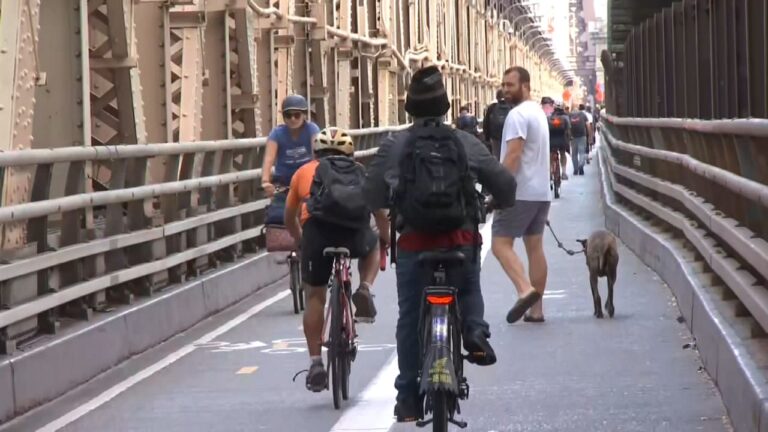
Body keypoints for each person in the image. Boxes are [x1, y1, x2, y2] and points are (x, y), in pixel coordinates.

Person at [363, 65, 517, 422]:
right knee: (468, 285)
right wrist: (494, 202)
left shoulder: (395, 144)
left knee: (409, 316)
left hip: (415, 244)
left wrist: (386, 221)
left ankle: (407, 399)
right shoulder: (465, 143)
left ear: (409, 109)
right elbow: (505, 185)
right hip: (460, 239)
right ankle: (475, 331)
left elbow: (370, 192)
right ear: (446, 108)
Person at [284, 127, 389, 392]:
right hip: (353, 234)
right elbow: (379, 214)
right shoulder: (360, 172)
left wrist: (301, 240)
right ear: (351, 153)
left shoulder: (303, 173)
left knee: (315, 297)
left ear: (315, 152)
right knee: (372, 245)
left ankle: (316, 362)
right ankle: (365, 287)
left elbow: (289, 217)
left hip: (317, 234)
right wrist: (386, 238)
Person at [492, 66, 551, 324]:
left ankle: (524, 290)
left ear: (525, 86)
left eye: (510, 85)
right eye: (504, 85)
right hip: (541, 192)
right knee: (534, 247)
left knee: (499, 244)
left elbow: (513, 155)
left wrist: (499, 187)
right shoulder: (537, 112)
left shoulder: (516, 115)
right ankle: (536, 310)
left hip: (520, 192)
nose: (505, 90)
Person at [261, 95, 320, 199]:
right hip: (283, 183)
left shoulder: (312, 129)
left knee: (310, 210)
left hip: (307, 180)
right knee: (277, 213)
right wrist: (265, 181)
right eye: (288, 115)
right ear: (284, 117)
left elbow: (317, 154)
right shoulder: (276, 133)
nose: (293, 119)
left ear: (304, 115)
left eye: (297, 115)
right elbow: (269, 159)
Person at [483, 89, 515, 160]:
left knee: (497, 156)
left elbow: (486, 123)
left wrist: (487, 137)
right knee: (508, 156)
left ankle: (498, 169)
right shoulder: (512, 107)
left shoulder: (492, 107)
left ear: (497, 97)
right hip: (509, 137)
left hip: (495, 137)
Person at [548, 103, 571, 181]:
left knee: (551, 155)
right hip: (562, 139)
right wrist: (569, 138)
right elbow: (568, 130)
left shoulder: (549, 117)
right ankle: (564, 173)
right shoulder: (565, 117)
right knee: (563, 154)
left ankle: (550, 172)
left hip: (551, 140)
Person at [569, 104, 590, 175]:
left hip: (573, 137)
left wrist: (569, 136)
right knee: (582, 152)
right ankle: (581, 165)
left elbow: (568, 127)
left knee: (574, 154)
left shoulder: (570, 115)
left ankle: (575, 169)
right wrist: (589, 135)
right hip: (582, 136)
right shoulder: (582, 114)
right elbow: (588, 125)